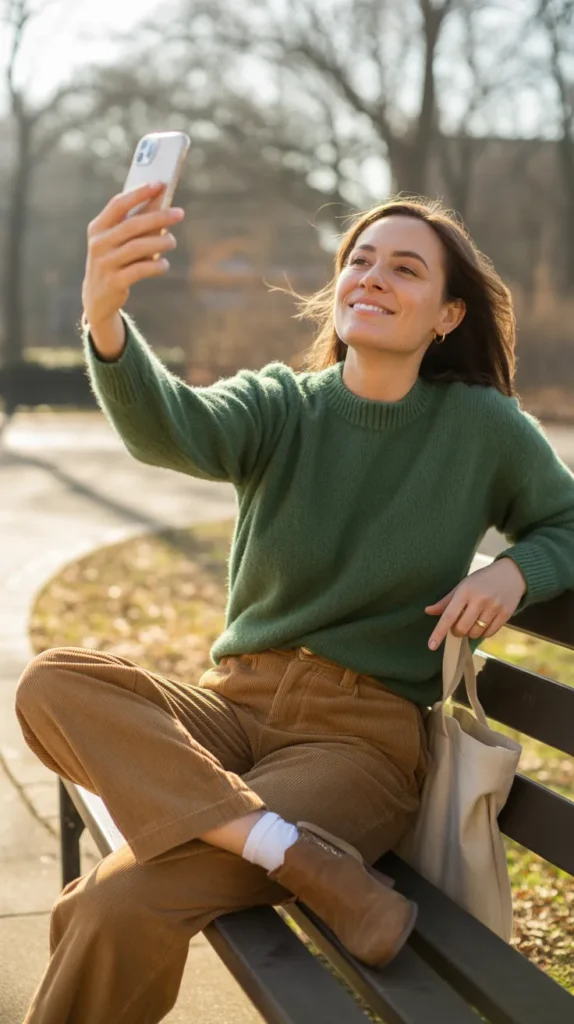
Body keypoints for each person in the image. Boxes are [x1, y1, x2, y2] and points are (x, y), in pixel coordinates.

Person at [16, 183, 574, 1024]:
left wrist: (513, 572)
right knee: (51, 682)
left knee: (109, 904)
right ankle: (285, 850)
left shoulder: (481, 428)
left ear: (448, 317)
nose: (371, 276)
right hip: (230, 710)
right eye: (360, 260)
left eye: (405, 268)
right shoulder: (282, 404)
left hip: (358, 746)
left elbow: (566, 519)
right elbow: (168, 426)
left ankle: (268, 835)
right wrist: (104, 319)